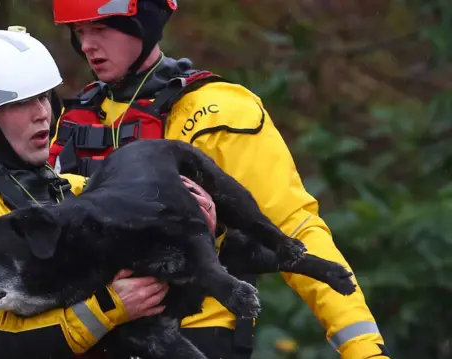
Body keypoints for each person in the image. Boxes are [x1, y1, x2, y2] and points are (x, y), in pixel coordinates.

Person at [48, 1, 392, 358]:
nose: (88, 45)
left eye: (101, 29)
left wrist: (361, 347)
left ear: (145, 22)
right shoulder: (73, 118)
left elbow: (295, 227)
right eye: (79, 32)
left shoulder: (219, 111)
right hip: (92, 335)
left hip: (196, 332)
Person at [0, 27, 218, 359]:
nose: (42, 114)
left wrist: (197, 229)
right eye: (21, 103)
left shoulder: (72, 188)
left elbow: (157, 285)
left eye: (43, 97)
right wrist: (110, 306)